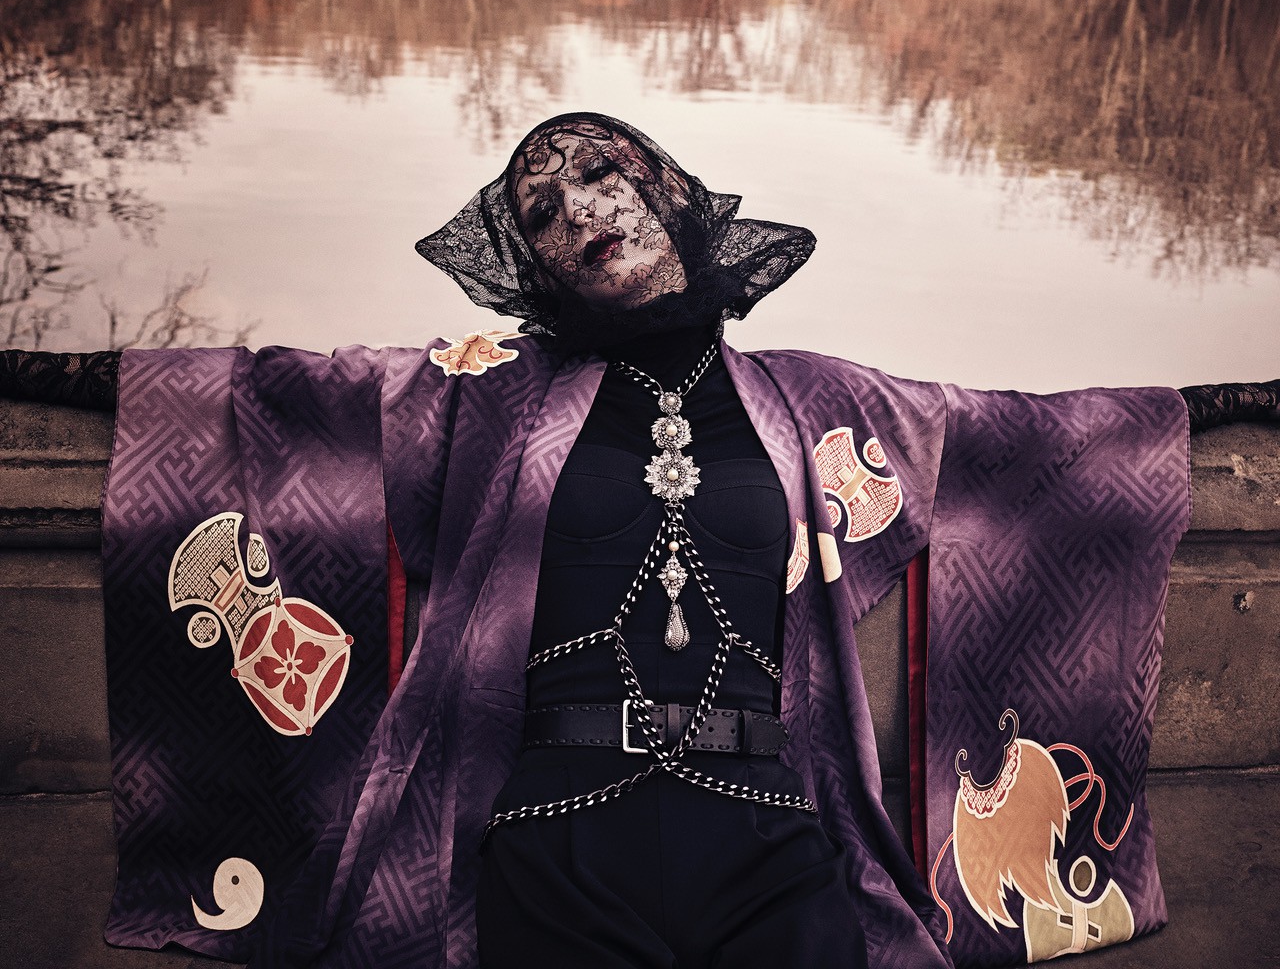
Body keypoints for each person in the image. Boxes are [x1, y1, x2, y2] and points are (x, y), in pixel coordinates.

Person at [1, 111, 1277, 969]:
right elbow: (268, 393)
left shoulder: (815, 400)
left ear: (663, 187)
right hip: (556, 835)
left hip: (772, 835)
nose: (574, 209)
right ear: (532, 265)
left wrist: (1227, 402)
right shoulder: (482, 391)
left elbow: (1026, 439)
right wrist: (46, 374)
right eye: (539, 209)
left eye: (597, 173)